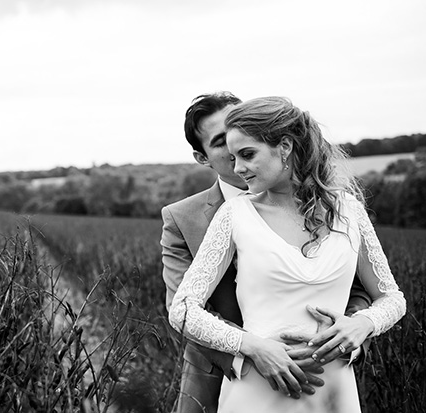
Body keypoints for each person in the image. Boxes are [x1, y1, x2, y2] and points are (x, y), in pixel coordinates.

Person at [168, 96, 406, 412]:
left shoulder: (350, 212)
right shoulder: (234, 214)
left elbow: (392, 298)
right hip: (256, 388)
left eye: (247, 154)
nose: (238, 168)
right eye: (232, 155)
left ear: (285, 147)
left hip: (333, 388)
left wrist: (360, 325)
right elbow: (182, 308)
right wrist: (252, 347)